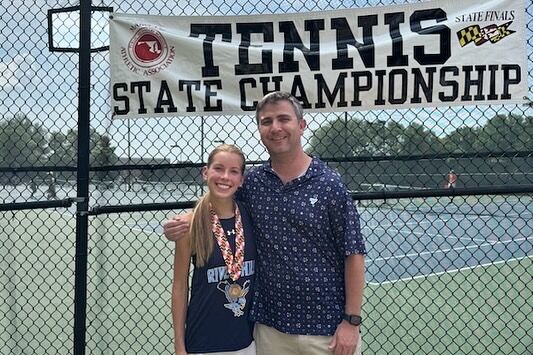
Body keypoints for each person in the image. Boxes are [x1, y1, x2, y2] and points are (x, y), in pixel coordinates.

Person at [164, 91, 366, 355]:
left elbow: (353, 253)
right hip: (270, 330)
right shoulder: (255, 183)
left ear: (302, 125)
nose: (276, 128)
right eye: (267, 121)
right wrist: (187, 221)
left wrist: (351, 321)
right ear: (260, 129)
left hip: (326, 330)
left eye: (284, 119)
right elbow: (220, 199)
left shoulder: (329, 184)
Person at [171, 144, 256, 355]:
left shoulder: (252, 217)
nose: (225, 177)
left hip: (247, 341)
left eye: (234, 171)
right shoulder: (190, 225)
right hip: (203, 343)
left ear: (242, 179)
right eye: (218, 168)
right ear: (205, 172)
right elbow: (180, 287)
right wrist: (180, 346)